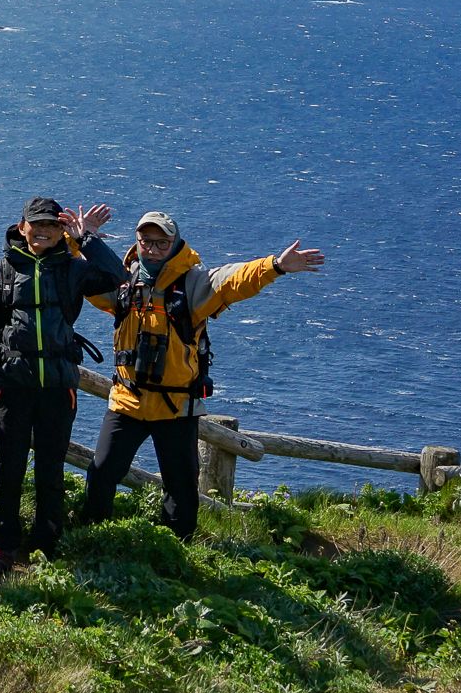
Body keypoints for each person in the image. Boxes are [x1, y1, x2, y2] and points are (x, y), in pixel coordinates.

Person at [78, 211, 325, 540]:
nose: (153, 249)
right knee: (102, 473)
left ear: (175, 243)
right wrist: (78, 238)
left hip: (176, 406)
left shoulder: (193, 284)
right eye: (146, 241)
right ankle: (93, 540)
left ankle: (176, 550)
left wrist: (275, 266)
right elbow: (78, 276)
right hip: (128, 401)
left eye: (162, 242)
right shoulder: (122, 280)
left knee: (180, 487)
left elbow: (233, 280)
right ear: (137, 242)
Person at [0, 197, 123, 574]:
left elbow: (116, 277)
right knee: (9, 467)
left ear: (62, 230)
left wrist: (86, 239)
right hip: (13, 384)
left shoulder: (73, 267)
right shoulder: (4, 270)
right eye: (37, 224)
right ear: (22, 227)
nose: (44, 231)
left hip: (58, 385)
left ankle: (46, 547)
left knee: (50, 469)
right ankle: (4, 546)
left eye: (53, 225)